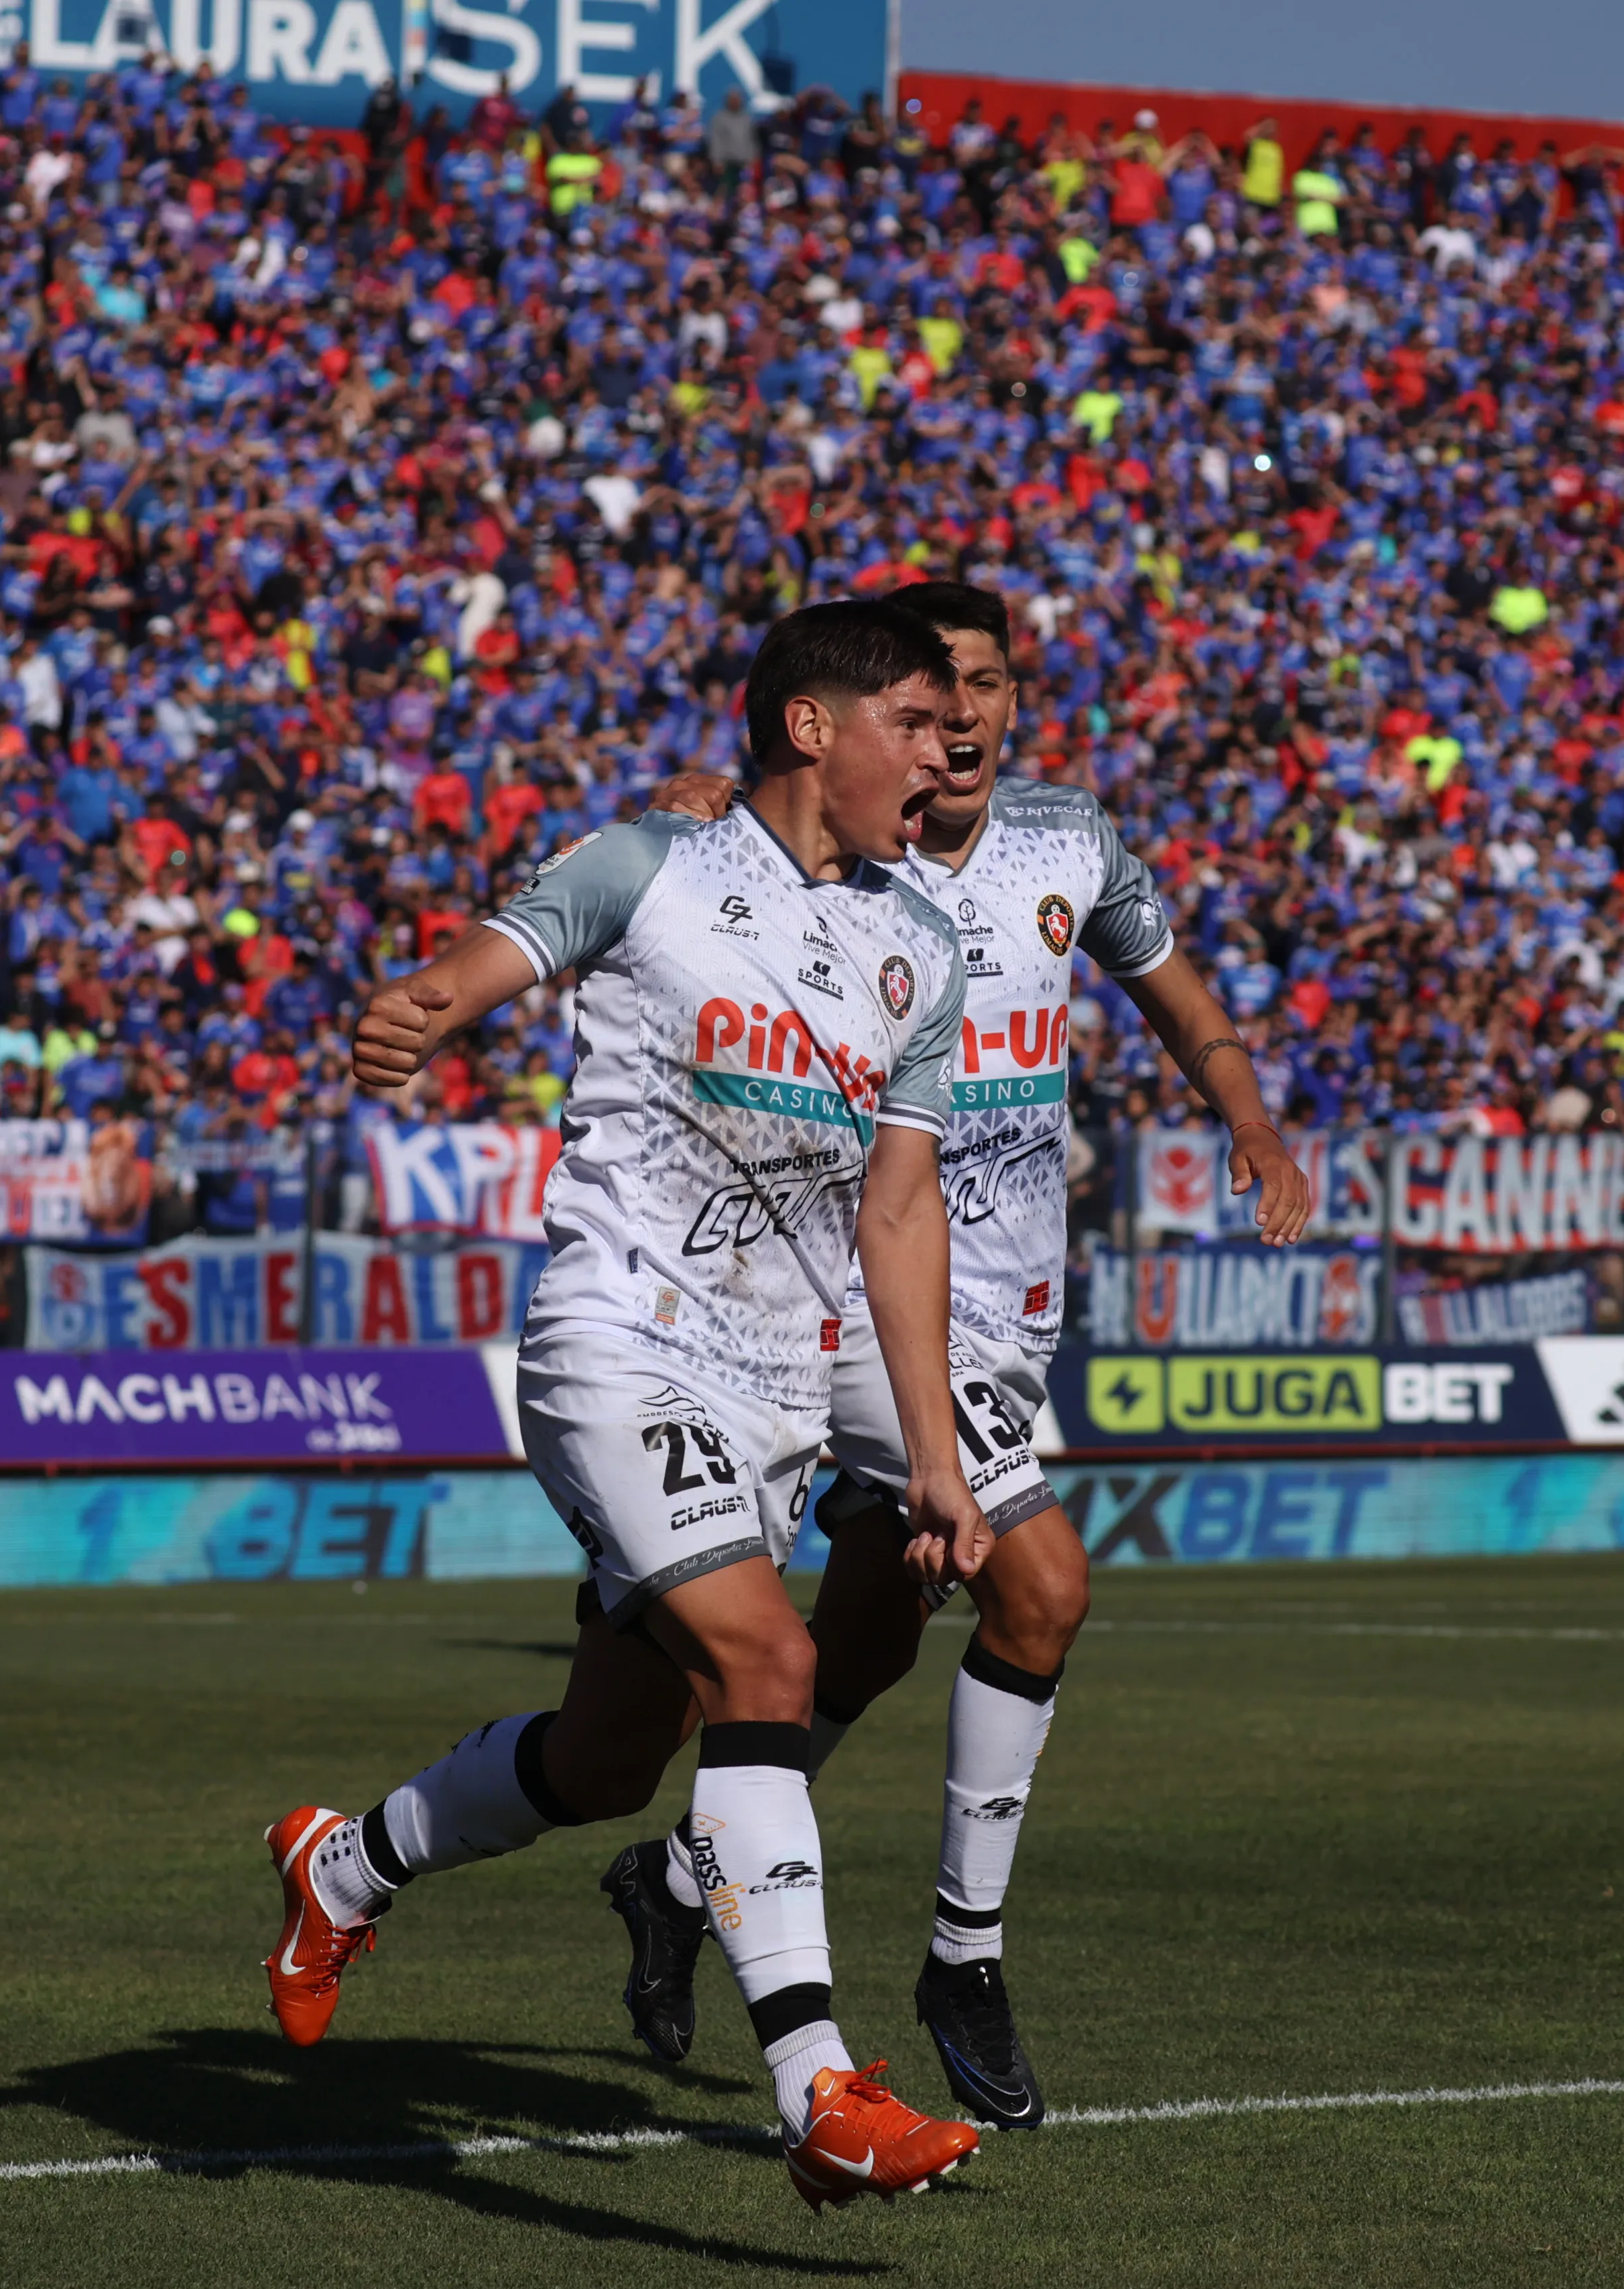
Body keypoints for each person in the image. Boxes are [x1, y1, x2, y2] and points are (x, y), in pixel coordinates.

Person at [259, 599, 989, 2209]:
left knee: (602, 1763)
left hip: (774, 1390)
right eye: (917, 721)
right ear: (813, 725)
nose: (945, 753)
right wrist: (417, 1009)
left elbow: (899, 1209)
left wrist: (930, 1459)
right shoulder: (641, 865)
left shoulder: (921, 947)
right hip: (616, 1338)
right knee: (772, 1657)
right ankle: (819, 2090)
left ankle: (343, 1859)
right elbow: (482, 963)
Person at [618, 580, 1310, 2127]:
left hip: (1008, 1310)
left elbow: (1175, 989)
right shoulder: (805, 849)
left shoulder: (1071, 841)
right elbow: (691, 869)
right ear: (887, 722)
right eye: (940, 694)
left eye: (991, 683)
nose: (972, 716)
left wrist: (1248, 1116)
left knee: (860, 1644)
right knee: (1043, 1583)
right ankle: (960, 1957)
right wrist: (701, 797)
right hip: (862, 1301)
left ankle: (676, 1873)